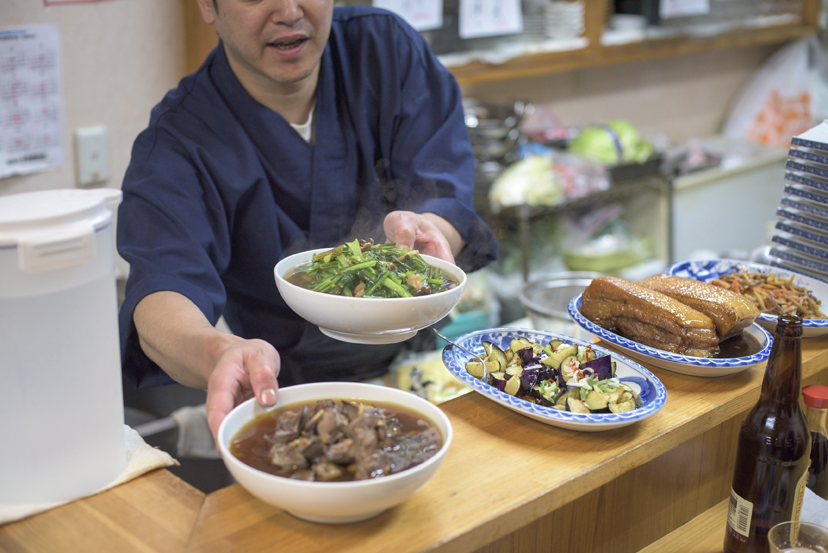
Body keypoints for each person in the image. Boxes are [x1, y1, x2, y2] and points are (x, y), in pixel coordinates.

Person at [117, 0, 498, 443]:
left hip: (419, 371)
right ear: (208, 5)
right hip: (285, 391)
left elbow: (444, 193)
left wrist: (427, 229)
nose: (289, 10)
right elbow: (162, 290)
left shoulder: (383, 49)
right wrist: (219, 352)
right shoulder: (181, 138)